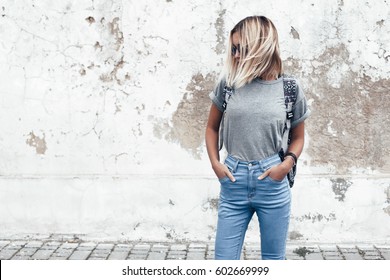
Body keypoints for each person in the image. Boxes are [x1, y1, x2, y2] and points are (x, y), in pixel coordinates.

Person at [205, 16, 310, 260]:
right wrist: (215, 164)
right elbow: (211, 128)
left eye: (242, 48)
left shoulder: (290, 88)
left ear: (262, 46)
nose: (236, 55)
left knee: (273, 261)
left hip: (272, 180)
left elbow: (299, 137)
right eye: (233, 49)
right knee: (224, 262)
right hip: (233, 178)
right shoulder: (228, 84)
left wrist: (286, 165)